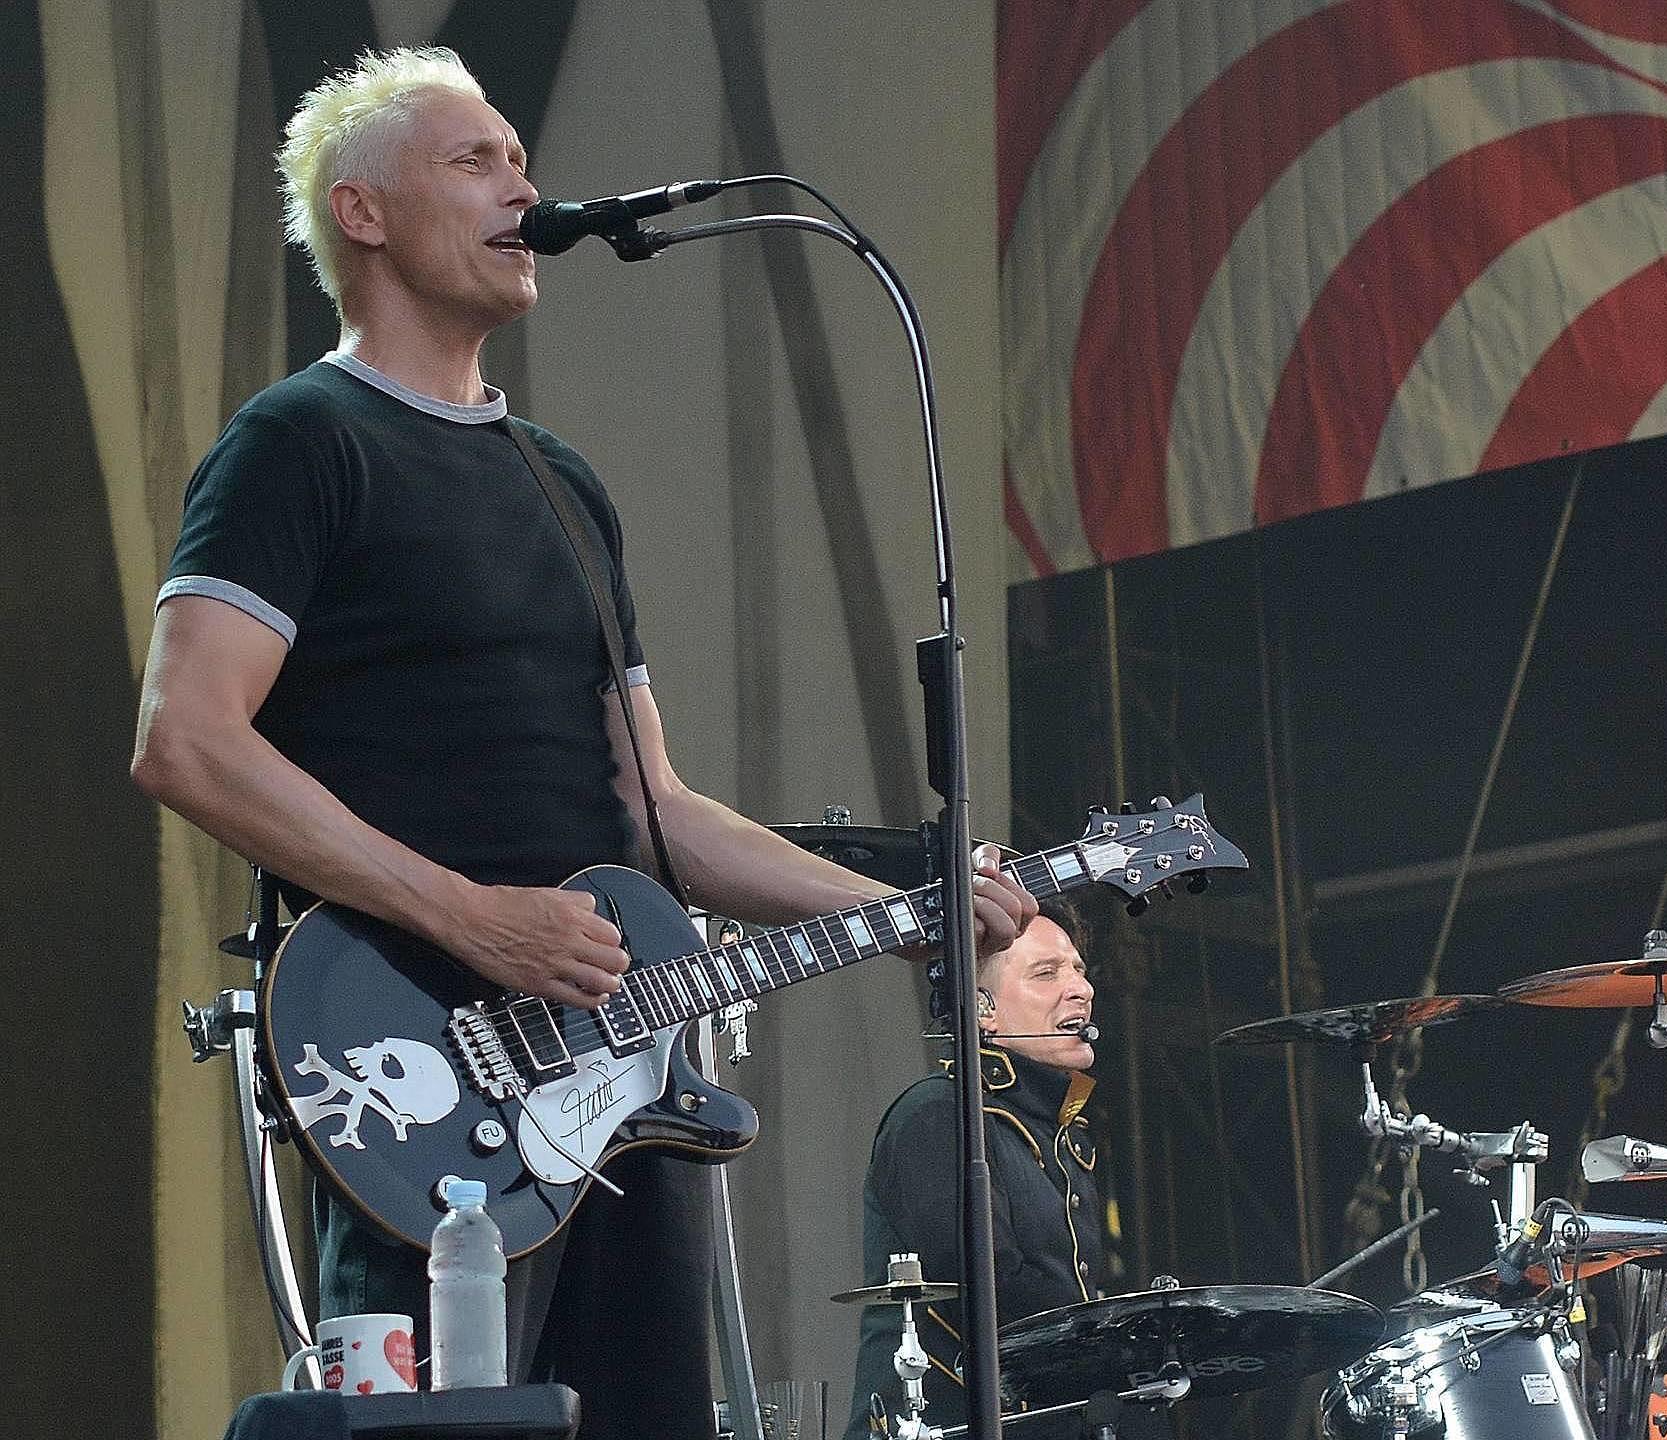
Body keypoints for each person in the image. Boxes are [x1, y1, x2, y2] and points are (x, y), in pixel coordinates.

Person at [127, 46, 1039, 1438]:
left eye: (521, 160)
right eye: (474, 161)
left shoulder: (560, 481)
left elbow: (653, 806)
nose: (522, 188)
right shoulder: (299, 442)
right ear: (363, 213)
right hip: (425, 1073)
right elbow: (187, 740)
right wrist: (471, 917)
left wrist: (899, 905)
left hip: (620, 1075)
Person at [853, 907, 1105, 1433]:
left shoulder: (1064, 1134)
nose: (1080, 989)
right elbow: (989, 1288)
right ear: (983, 1010)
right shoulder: (940, 1114)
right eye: (1047, 973)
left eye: (1079, 970)